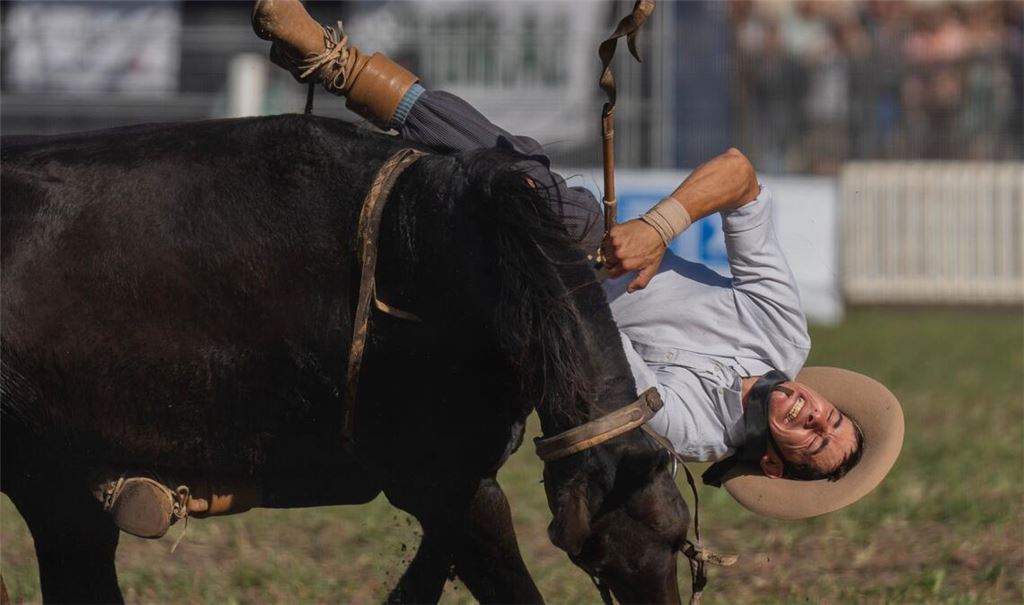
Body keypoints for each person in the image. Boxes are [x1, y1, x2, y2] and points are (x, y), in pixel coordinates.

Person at [252, 0, 903, 519]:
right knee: (537, 189)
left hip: (545, 316)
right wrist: (657, 227)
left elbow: (595, 349)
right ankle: (336, 64)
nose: (817, 415)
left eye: (815, 439)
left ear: (771, 465)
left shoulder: (687, 433)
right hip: (578, 244)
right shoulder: (785, 332)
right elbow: (738, 176)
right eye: (833, 417)